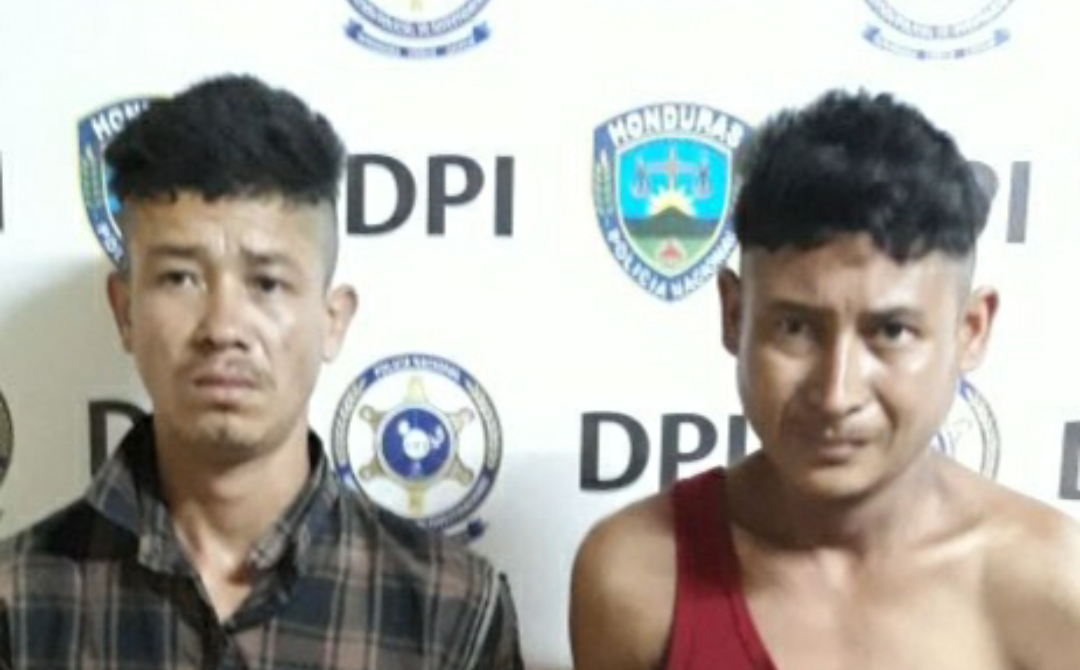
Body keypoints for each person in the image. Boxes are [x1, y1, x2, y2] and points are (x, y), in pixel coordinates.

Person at [0, 74, 523, 669]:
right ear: (125, 312)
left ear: (332, 320)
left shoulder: (450, 610)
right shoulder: (19, 600)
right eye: (180, 278)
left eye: (268, 283)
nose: (223, 327)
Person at [569, 89, 1080, 670]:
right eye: (795, 328)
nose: (837, 394)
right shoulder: (637, 577)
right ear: (734, 315)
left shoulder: (1053, 588)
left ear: (971, 331)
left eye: (891, 332)